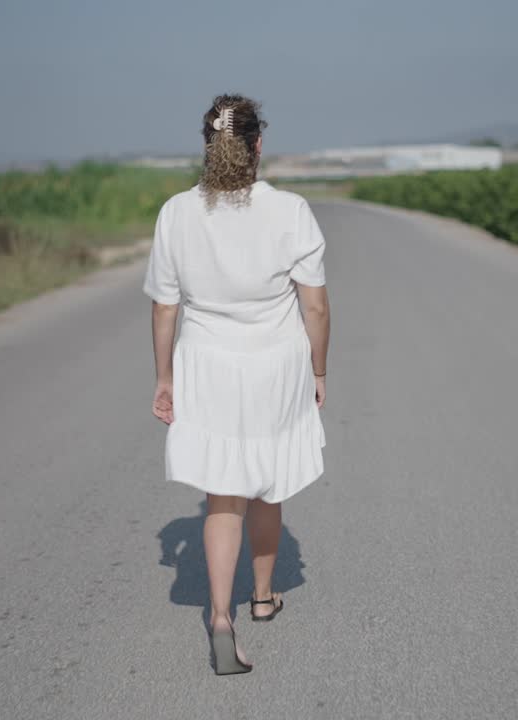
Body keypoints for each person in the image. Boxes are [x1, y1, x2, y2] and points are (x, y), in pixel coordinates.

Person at [143, 93, 330, 676]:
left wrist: (164, 377)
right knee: (266, 485)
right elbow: (316, 308)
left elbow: (164, 309)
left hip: (206, 365)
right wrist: (318, 371)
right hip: (275, 365)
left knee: (223, 495)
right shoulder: (291, 210)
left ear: (208, 146)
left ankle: (221, 619)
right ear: (257, 145)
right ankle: (264, 597)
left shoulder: (176, 212)